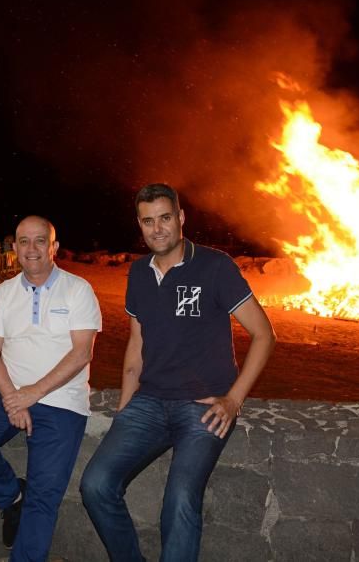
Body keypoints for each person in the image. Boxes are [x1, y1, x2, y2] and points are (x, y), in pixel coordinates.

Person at [80, 183, 277, 561]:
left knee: (181, 498)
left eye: (165, 218)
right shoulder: (138, 273)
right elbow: (136, 346)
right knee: (96, 485)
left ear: (181, 218)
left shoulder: (215, 266)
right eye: (148, 221)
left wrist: (233, 400)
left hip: (203, 407)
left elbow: (264, 334)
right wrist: (124, 410)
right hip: (150, 402)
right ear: (139, 225)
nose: (157, 229)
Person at [0, 215, 101, 561]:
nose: (32, 249)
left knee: (44, 494)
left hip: (61, 400)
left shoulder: (78, 289)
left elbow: (82, 353)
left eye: (41, 241)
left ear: (54, 247)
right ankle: (10, 497)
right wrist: (13, 397)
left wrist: (32, 394)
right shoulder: (4, 294)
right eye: (24, 241)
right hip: (8, 392)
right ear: (14, 248)